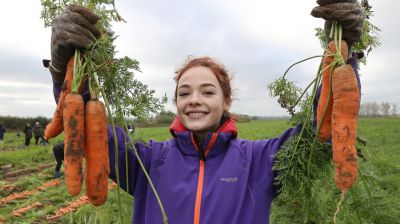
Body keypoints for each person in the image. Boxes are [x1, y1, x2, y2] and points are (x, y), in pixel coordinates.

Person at [46, 2, 364, 223]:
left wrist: (344, 54)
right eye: (184, 93)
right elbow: (87, 131)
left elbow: (320, 131)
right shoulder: (146, 163)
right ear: (176, 103)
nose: (194, 99)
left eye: (207, 91)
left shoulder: (260, 160)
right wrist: (64, 74)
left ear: (226, 102)